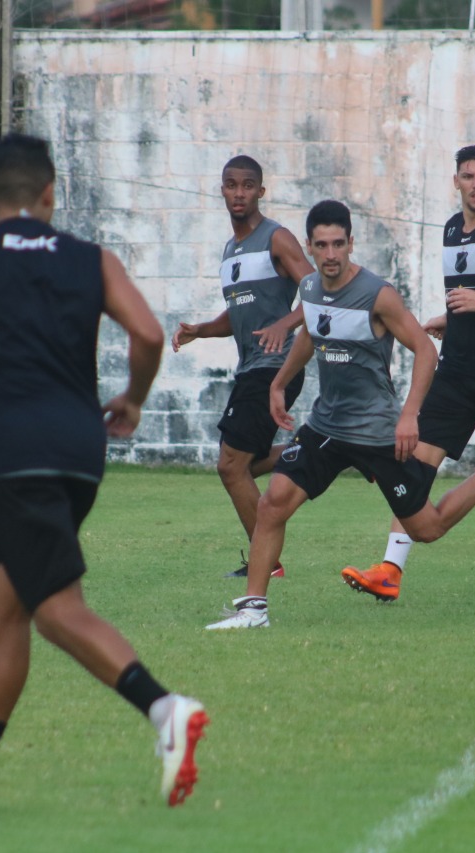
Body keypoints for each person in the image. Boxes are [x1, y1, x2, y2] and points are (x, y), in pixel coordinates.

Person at [0, 133, 208, 815]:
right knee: (8, 605)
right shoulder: (91, 258)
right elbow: (151, 335)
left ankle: (165, 709)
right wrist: (132, 398)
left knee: (55, 610)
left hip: (16, 454)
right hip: (78, 448)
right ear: (50, 196)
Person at [206, 200, 475, 630]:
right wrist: (278, 382)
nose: (330, 255)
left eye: (338, 244)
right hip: (326, 427)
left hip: (378, 432)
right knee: (272, 505)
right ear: (309, 246)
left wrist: (409, 416)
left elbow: (425, 350)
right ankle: (253, 610)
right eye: (322, 245)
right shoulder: (309, 288)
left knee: (427, 528)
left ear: (351, 243)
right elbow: (311, 330)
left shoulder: (377, 294)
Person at [340, 143, 475, 602]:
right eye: (468, 176)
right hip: (456, 371)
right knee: (412, 469)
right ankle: (389, 569)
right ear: (455, 181)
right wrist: (453, 318)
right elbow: (470, 292)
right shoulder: (452, 228)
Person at [171, 155, 313, 579]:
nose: (239, 193)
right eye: (231, 185)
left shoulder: (278, 238)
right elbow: (239, 314)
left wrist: (285, 323)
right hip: (251, 367)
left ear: (260, 192)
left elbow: (319, 291)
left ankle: (267, 564)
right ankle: (314, 451)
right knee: (243, 467)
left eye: (247, 185)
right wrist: (201, 329)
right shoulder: (230, 251)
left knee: (229, 466)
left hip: (277, 366)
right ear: (222, 190)